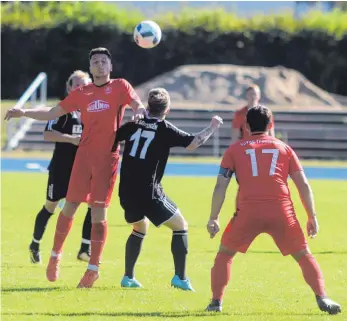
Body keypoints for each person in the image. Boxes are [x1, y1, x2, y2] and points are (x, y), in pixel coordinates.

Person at [5, 47, 147, 288]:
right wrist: (24, 112)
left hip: (107, 159)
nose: (100, 65)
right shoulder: (83, 92)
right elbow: (52, 112)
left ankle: (93, 269)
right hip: (83, 157)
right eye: (95, 62)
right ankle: (54, 256)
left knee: (98, 213)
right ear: (90, 68)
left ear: (110, 67)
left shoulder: (120, 86)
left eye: (104, 61)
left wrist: (140, 111)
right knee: (69, 207)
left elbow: (136, 103)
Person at [205, 105, 341, 315]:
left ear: (246, 126)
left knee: (224, 255)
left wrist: (214, 217)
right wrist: (311, 216)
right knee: (304, 255)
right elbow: (303, 184)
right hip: (281, 212)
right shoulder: (285, 148)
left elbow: (220, 185)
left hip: (248, 212)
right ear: (271, 125)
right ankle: (322, 297)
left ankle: (216, 302)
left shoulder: (234, 149)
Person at [112, 88, 223, 291]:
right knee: (181, 226)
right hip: (149, 193)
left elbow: (113, 138)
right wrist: (213, 127)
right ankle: (180, 278)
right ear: (167, 110)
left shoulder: (132, 124)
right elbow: (193, 143)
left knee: (139, 227)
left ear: (147, 106)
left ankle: (128, 277)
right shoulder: (164, 129)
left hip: (126, 192)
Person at [29, 70, 92, 264]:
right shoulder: (62, 109)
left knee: (94, 205)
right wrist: (70, 139)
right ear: (69, 88)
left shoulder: (93, 109)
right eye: (77, 84)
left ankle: (84, 248)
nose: (81, 88)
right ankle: (35, 244)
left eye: (85, 84)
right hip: (61, 169)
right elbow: (48, 134)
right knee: (51, 206)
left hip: (85, 168)